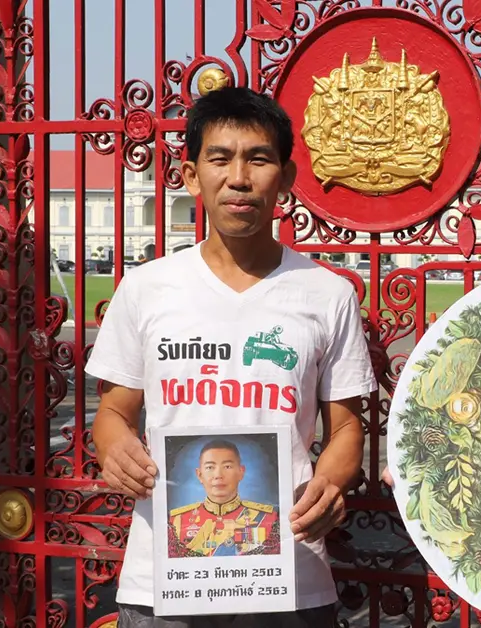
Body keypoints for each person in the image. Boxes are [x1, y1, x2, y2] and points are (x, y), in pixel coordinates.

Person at [88, 86, 377, 628]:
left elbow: (345, 428)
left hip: (290, 574)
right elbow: (112, 412)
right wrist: (114, 448)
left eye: (258, 159)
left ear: (286, 178)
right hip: (164, 581)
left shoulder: (327, 293)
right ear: (192, 175)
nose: (238, 178)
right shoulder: (147, 288)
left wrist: (331, 485)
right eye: (219, 159)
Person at [167, 439, 280, 559]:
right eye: (210, 467)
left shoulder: (269, 519)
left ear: (241, 472)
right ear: (199, 474)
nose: (218, 475)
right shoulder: (176, 521)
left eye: (227, 466)